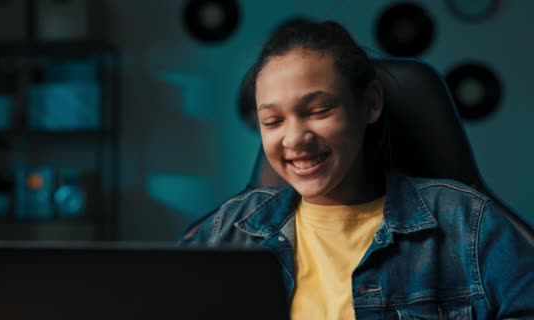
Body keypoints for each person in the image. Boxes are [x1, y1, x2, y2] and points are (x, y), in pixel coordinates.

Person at [181, 19, 534, 319]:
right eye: (272, 121)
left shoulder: (465, 223)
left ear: (369, 104)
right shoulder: (224, 234)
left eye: (318, 111)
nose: (294, 138)